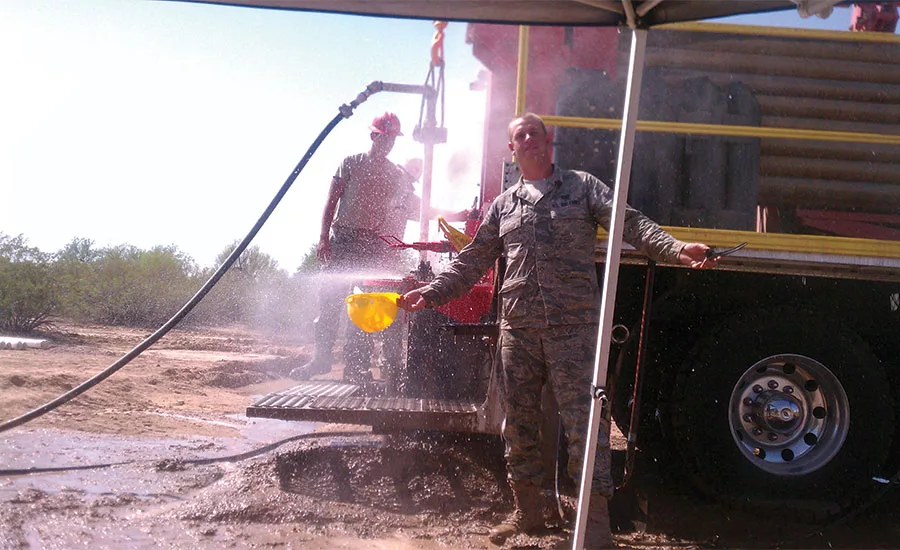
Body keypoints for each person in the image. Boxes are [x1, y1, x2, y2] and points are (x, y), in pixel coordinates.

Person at [397, 113, 717, 548]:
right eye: (519, 135)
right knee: (519, 426)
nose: (528, 139)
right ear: (512, 149)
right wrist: (429, 294)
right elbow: (472, 261)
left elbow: (631, 223)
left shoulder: (583, 187)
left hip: (574, 329)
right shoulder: (503, 205)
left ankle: (595, 525)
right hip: (519, 331)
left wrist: (677, 249)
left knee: (586, 427)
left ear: (548, 143)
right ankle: (529, 514)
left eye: (535, 133)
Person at [292, 112, 413, 384]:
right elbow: (331, 200)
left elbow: (401, 210)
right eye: (384, 138)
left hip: (370, 245)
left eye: (392, 140)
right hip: (342, 240)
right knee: (329, 302)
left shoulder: (394, 174)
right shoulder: (351, 163)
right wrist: (323, 237)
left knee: (363, 307)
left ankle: (356, 367)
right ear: (373, 136)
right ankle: (321, 359)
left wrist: (388, 249)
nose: (388, 144)